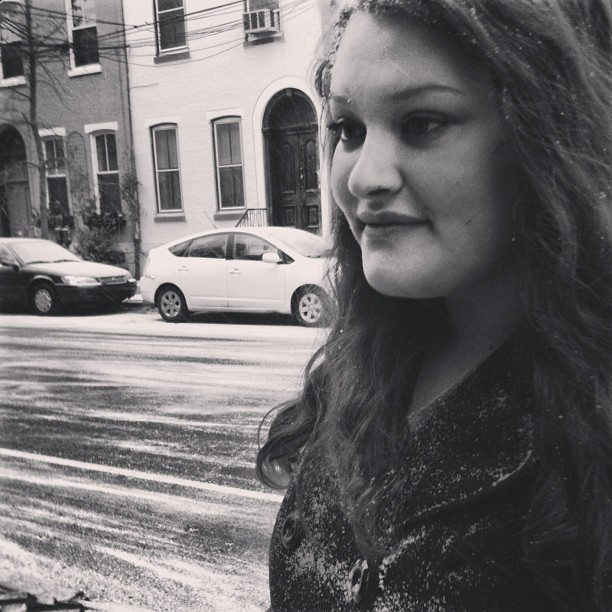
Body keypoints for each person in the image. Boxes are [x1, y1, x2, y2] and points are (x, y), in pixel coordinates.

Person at [256, 0, 612, 609]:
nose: (362, 177)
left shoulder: (592, 427)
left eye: (421, 123)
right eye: (348, 129)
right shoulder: (364, 367)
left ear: (546, 136)